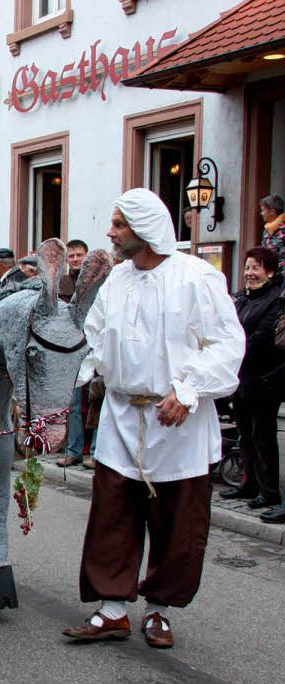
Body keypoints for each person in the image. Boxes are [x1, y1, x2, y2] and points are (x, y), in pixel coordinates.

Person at [63, 188, 244, 650]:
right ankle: (113, 610)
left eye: (119, 224)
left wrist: (188, 390)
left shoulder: (197, 278)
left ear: (144, 231)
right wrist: (75, 378)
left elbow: (227, 345)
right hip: (123, 414)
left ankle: (160, 610)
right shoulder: (118, 280)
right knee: (113, 514)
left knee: (177, 520)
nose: (111, 231)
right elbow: (95, 337)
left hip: (178, 420)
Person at [218, 247, 284, 515]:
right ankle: (248, 484)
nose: (249, 274)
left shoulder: (274, 299)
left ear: (269, 271)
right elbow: (226, 328)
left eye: (255, 268)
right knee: (245, 434)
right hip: (241, 377)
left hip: (264, 379)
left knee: (262, 435)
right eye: (247, 268)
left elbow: (262, 336)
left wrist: (234, 347)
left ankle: (269, 492)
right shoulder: (243, 298)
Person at [57, 239, 98, 468]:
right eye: (71, 256)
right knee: (72, 404)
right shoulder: (62, 283)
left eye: (79, 255)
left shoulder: (96, 281)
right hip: (70, 349)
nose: (75, 259)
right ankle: (73, 451)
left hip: (93, 345)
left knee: (97, 401)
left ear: (86, 256)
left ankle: (96, 452)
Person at [259, 194, 285, 270]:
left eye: (263, 210)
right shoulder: (267, 229)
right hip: (269, 274)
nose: (261, 213)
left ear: (272, 212)